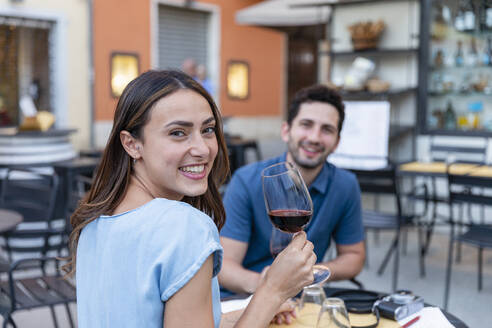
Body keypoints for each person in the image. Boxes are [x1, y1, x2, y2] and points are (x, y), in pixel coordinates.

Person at [65, 70, 316, 328]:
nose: (203, 148)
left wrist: (256, 309)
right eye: (178, 133)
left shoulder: (95, 220)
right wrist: (273, 290)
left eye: (208, 129)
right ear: (131, 144)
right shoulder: (184, 226)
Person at [218, 84, 365, 297]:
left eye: (327, 129)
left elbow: (354, 256)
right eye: (306, 125)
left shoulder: (345, 184)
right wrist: (269, 285)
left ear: (336, 143)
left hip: (303, 299)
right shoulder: (247, 181)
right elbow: (225, 266)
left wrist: (311, 273)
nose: (314, 137)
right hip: (246, 296)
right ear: (286, 131)